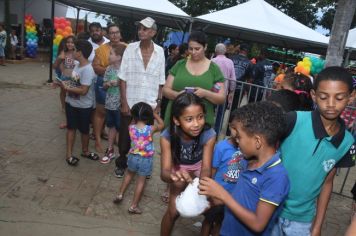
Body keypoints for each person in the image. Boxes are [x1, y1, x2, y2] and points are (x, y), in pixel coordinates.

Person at [271, 66, 355, 236]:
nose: (331, 104)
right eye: (324, 97)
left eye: (339, 98)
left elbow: (327, 183)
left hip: (302, 220)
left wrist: (318, 225)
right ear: (314, 95)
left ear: (351, 97)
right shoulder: (293, 120)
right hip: (268, 208)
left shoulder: (347, 142)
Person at [199, 101, 290, 236]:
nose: (237, 141)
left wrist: (223, 196)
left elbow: (258, 224)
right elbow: (242, 200)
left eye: (239, 138)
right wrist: (215, 199)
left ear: (257, 141)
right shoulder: (249, 162)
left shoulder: (276, 176)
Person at [115, 17, 165, 178]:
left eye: (145, 29)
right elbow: (122, 77)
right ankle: (122, 163)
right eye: (140, 28)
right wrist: (123, 102)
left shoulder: (160, 51)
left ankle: (143, 165)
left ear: (153, 32)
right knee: (124, 136)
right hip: (130, 101)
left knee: (146, 138)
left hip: (148, 105)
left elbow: (161, 80)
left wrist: (158, 103)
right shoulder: (130, 48)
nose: (141, 31)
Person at [160, 93, 216, 236]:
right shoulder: (166, 137)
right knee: (172, 212)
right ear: (177, 120)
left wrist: (200, 187)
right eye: (189, 119)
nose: (196, 124)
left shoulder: (209, 134)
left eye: (200, 117)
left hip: (200, 167)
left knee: (211, 210)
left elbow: (206, 168)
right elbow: (164, 173)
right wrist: (173, 176)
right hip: (179, 168)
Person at [163, 31, 225, 128]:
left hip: (201, 124)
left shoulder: (214, 69)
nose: (193, 52)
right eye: (190, 49)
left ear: (205, 47)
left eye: (197, 49)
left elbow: (221, 98)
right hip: (176, 121)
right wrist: (177, 95)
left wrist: (205, 93)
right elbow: (165, 90)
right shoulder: (180, 64)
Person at [113, 102, 164, 213]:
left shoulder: (130, 127)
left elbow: (133, 121)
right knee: (141, 182)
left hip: (132, 157)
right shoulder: (151, 129)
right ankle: (134, 206)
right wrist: (154, 114)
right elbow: (162, 124)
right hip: (145, 159)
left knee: (128, 175)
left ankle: (120, 194)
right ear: (148, 116)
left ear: (134, 115)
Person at [201, 111, 242, 236]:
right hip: (216, 194)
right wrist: (209, 193)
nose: (237, 132)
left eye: (242, 129)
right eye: (234, 128)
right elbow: (212, 170)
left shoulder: (246, 149)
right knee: (208, 221)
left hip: (232, 197)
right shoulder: (221, 147)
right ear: (230, 126)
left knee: (221, 223)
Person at [60, 39, 99, 166]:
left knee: (84, 130)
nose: (73, 50)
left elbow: (83, 90)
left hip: (84, 106)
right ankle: (69, 155)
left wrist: (66, 88)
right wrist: (62, 83)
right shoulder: (77, 64)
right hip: (71, 103)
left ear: (80, 53)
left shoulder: (88, 69)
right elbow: (75, 82)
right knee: (71, 128)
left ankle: (85, 151)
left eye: (75, 49)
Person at [92, 23, 126, 153]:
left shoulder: (127, 48)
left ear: (120, 34)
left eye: (117, 32)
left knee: (118, 117)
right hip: (104, 82)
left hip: (121, 87)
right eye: (111, 32)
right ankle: (98, 141)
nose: (114, 35)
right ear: (108, 34)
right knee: (101, 113)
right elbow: (95, 67)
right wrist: (110, 71)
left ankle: (116, 143)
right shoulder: (101, 49)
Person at [100, 44, 126, 164]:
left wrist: (120, 83)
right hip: (109, 104)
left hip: (120, 106)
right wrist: (108, 84)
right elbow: (104, 86)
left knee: (122, 129)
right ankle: (110, 150)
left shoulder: (125, 70)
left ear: (119, 57)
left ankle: (123, 153)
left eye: (111, 54)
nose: (109, 56)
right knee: (111, 127)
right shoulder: (109, 69)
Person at [211, 43, 236, 134]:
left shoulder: (212, 61)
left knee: (210, 109)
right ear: (225, 51)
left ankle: (207, 128)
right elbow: (233, 79)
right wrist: (231, 90)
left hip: (212, 91)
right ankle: (216, 132)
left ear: (215, 51)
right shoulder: (230, 62)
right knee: (220, 114)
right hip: (223, 91)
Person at [53, 36, 76, 119]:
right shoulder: (63, 52)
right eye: (68, 42)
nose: (70, 44)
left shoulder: (77, 53)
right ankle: (63, 107)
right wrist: (60, 58)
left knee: (73, 93)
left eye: (72, 42)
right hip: (64, 76)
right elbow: (55, 65)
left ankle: (72, 108)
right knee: (63, 92)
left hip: (74, 77)